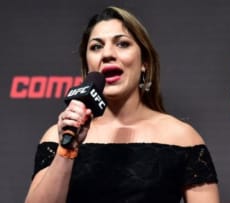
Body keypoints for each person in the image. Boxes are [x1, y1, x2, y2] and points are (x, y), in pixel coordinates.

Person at [25, 6, 219, 203]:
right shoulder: (58, 137)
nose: (107, 54)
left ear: (145, 63)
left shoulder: (183, 138)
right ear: (87, 65)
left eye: (122, 44)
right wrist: (67, 151)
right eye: (96, 47)